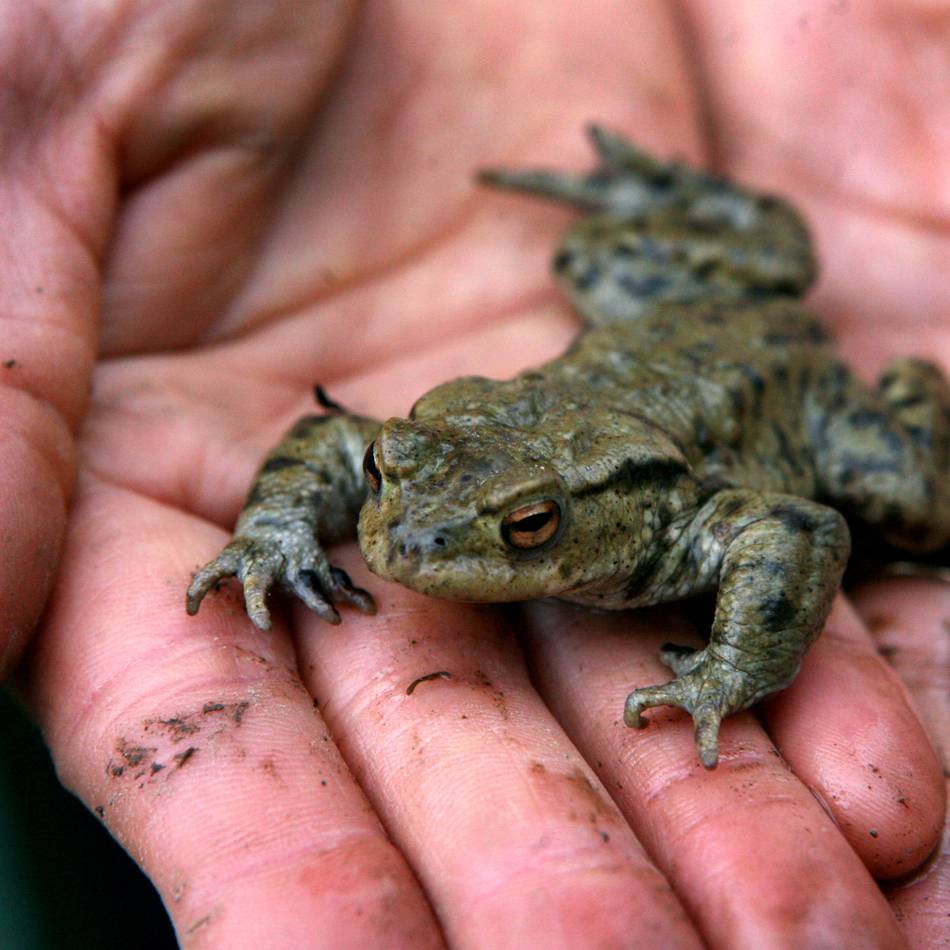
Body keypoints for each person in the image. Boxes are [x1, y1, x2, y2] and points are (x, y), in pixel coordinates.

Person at [1, 1, 945, 945]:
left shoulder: (671, 519)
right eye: (389, 477)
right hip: (653, 344)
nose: (403, 543)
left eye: (526, 528)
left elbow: (797, 530)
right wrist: (275, 530)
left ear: (582, 521)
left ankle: (913, 387)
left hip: (772, 384)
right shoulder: (407, 470)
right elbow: (333, 440)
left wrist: (734, 665)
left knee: (917, 504)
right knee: (584, 261)